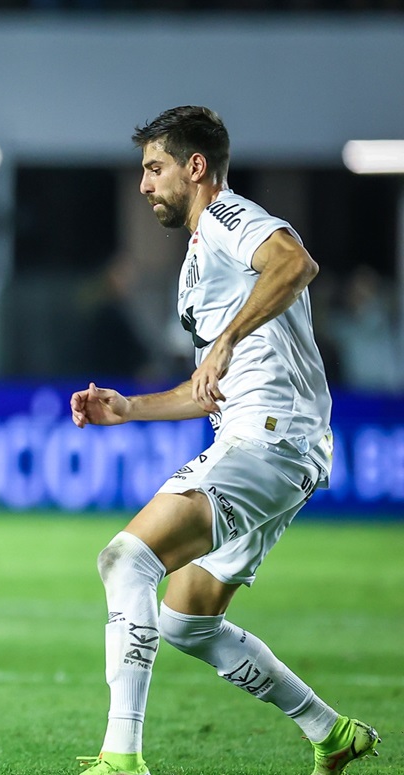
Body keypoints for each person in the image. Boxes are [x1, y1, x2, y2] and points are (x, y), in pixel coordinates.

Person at [69, 106, 380, 775]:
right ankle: (331, 731)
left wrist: (230, 338)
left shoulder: (226, 217)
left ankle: (121, 758)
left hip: (269, 435)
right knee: (187, 621)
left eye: (155, 168)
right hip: (275, 441)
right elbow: (204, 386)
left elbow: (296, 262)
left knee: (127, 560)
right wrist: (128, 408)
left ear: (196, 167)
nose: (145, 184)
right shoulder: (200, 259)